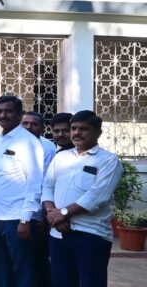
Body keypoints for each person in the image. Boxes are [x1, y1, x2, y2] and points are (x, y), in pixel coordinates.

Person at [42, 110, 123, 287]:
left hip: (91, 235)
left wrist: (63, 213)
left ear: (98, 132)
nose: (77, 133)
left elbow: (98, 196)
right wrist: (52, 214)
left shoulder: (108, 161)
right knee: (61, 282)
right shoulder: (61, 157)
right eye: (74, 128)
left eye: (84, 129)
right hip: (58, 234)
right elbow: (47, 186)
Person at [0, 95, 45, 287]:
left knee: (23, 269)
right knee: (0, 268)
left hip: (16, 218)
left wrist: (25, 220)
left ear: (19, 114)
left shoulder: (28, 142)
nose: (3, 115)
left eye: (8, 111)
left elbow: (35, 183)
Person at [22, 110, 56, 287]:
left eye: (34, 124)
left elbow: (44, 184)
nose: (29, 127)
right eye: (25, 123)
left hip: (35, 215)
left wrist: (42, 215)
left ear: (42, 129)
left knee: (37, 259)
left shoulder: (47, 148)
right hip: (15, 213)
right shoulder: (14, 144)